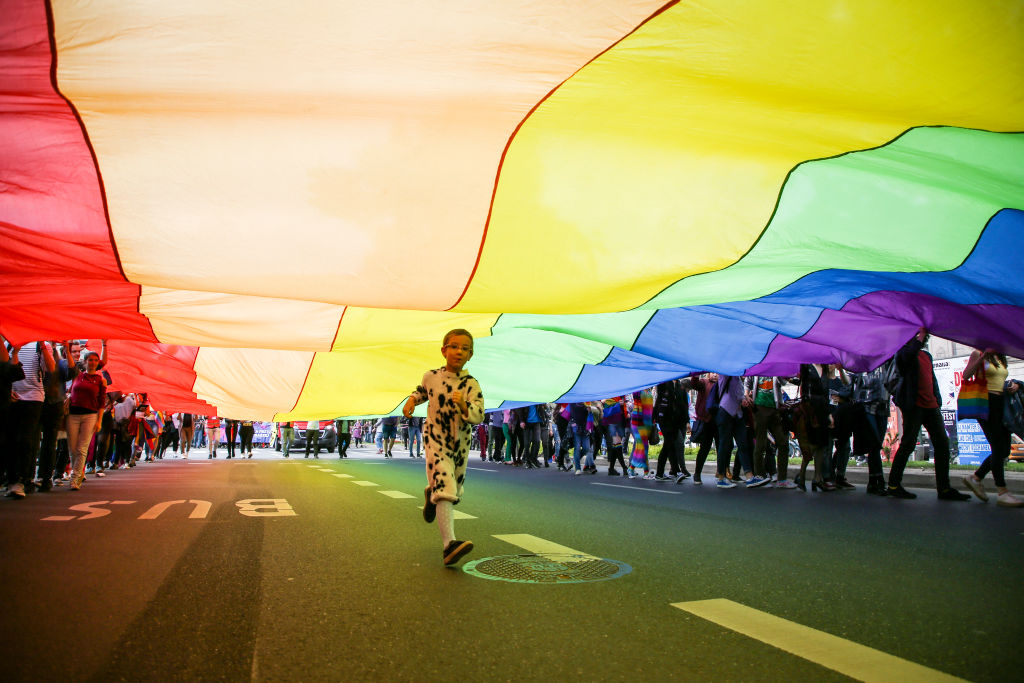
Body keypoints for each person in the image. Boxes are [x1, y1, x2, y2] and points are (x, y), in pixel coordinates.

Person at [403, 328, 484, 566]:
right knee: (446, 487)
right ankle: (449, 544)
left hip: (459, 444)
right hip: (435, 437)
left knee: (454, 492)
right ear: (444, 350)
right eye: (454, 346)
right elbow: (422, 392)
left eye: (465, 349)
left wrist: (463, 407)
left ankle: (431, 493)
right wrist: (410, 401)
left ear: (470, 355)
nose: (459, 351)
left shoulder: (471, 384)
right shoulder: (431, 376)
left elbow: (479, 414)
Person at [888, 327, 970, 501]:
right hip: (914, 406)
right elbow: (905, 360)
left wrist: (937, 400)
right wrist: (920, 335)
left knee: (942, 444)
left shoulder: (927, 356)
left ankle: (944, 488)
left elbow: (931, 379)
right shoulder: (903, 354)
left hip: (931, 406)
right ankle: (894, 485)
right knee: (908, 444)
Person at [961, 348, 1022, 507]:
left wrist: (1013, 384)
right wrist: (981, 358)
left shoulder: (1000, 355)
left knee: (1004, 450)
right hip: (986, 403)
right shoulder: (978, 353)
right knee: (997, 447)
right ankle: (1002, 492)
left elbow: (1000, 379)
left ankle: (976, 478)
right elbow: (966, 376)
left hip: (1002, 404)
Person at [6, 341, 56, 498]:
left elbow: (51, 368)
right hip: (13, 396)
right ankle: (12, 480)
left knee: (25, 439)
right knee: (11, 439)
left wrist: (42, 345)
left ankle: (22, 480)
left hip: (34, 396)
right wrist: (8, 389)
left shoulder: (41, 345)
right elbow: (6, 368)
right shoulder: (10, 343)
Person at [745, 375, 797, 489]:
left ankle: (782, 479)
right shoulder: (757, 366)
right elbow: (748, 381)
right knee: (760, 444)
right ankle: (760, 476)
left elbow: (784, 382)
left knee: (783, 443)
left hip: (775, 409)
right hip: (759, 409)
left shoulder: (775, 368)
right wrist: (746, 394)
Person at [66, 349, 108, 490]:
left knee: (82, 448)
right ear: (85, 362)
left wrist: (99, 420)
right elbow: (71, 364)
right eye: (90, 360)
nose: (93, 363)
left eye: (96, 360)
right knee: (72, 448)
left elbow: (102, 402)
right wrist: (67, 347)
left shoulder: (100, 380)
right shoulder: (77, 376)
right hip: (73, 414)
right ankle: (78, 471)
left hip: (90, 415)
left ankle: (75, 478)